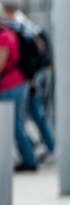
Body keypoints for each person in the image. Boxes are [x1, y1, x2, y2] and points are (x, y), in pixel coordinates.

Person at [0, 0, 54, 163]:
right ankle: (47, 147)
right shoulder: (27, 26)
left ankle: (32, 154)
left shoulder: (8, 29)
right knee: (34, 114)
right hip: (29, 78)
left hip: (15, 80)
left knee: (17, 122)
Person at [0, 21, 37, 172]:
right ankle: (29, 153)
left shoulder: (4, 36)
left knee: (14, 125)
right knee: (16, 124)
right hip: (16, 83)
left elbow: (1, 63)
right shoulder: (10, 33)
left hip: (11, 84)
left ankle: (29, 159)